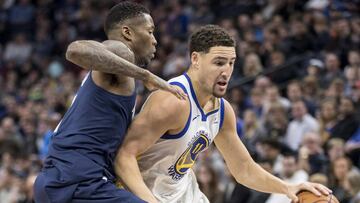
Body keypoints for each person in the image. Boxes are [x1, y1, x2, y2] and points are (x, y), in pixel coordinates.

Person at [115, 25, 331, 203]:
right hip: (142, 193)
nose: (226, 71)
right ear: (196, 59)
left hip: (183, 193)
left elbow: (243, 169)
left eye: (231, 63)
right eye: (219, 62)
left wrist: (288, 187)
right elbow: (124, 156)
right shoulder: (172, 100)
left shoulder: (222, 110)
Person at [33, 2, 185, 203]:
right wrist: (146, 75)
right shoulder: (121, 50)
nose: (155, 41)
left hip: (62, 180)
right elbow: (75, 51)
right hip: (79, 181)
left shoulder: (117, 72)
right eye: (150, 32)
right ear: (127, 33)